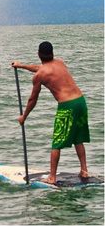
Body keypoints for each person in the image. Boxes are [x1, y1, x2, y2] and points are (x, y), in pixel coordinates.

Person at [12, 41, 90, 185]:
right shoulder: (60, 63)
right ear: (52, 53)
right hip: (80, 102)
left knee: (57, 142)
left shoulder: (39, 75)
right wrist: (21, 65)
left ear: (38, 54)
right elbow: (40, 68)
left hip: (67, 106)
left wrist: (24, 117)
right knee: (78, 138)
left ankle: (52, 177)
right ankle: (84, 169)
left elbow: (32, 99)